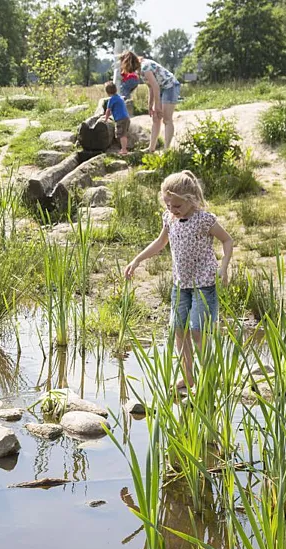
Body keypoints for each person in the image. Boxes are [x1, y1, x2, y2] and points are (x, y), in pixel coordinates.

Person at [124, 171, 233, 391]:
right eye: (168, 205)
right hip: (180, 285)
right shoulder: (169, 219)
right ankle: (188, 377)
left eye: (177, 206)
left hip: (204, 284)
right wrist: (137, 260)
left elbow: (227, 240)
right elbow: (160, 243)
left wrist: (224, 267)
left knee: (197, 331)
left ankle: (208, 378)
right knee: (179, 330)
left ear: (191, 200)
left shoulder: (204, 220)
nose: (173, 211)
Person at [120, 51, 180, 152]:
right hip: (161, 88)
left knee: (166, 119)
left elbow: (156, 87)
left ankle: (166, 150)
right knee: (156, 119)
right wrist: (150, 104)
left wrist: (157, 106)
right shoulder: (140, 70)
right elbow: (151, 87)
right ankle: (151, 148)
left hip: (170, 86)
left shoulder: (145, 67)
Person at [102, 81, 130, 156]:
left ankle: (124, 149)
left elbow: (108, 110)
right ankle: (124, 148)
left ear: (107, 92)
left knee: (121, 134)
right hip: (126, 117)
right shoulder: (119, 97)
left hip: (120, 119)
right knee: (124, 133)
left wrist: (105, 119)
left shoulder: (111, 99)